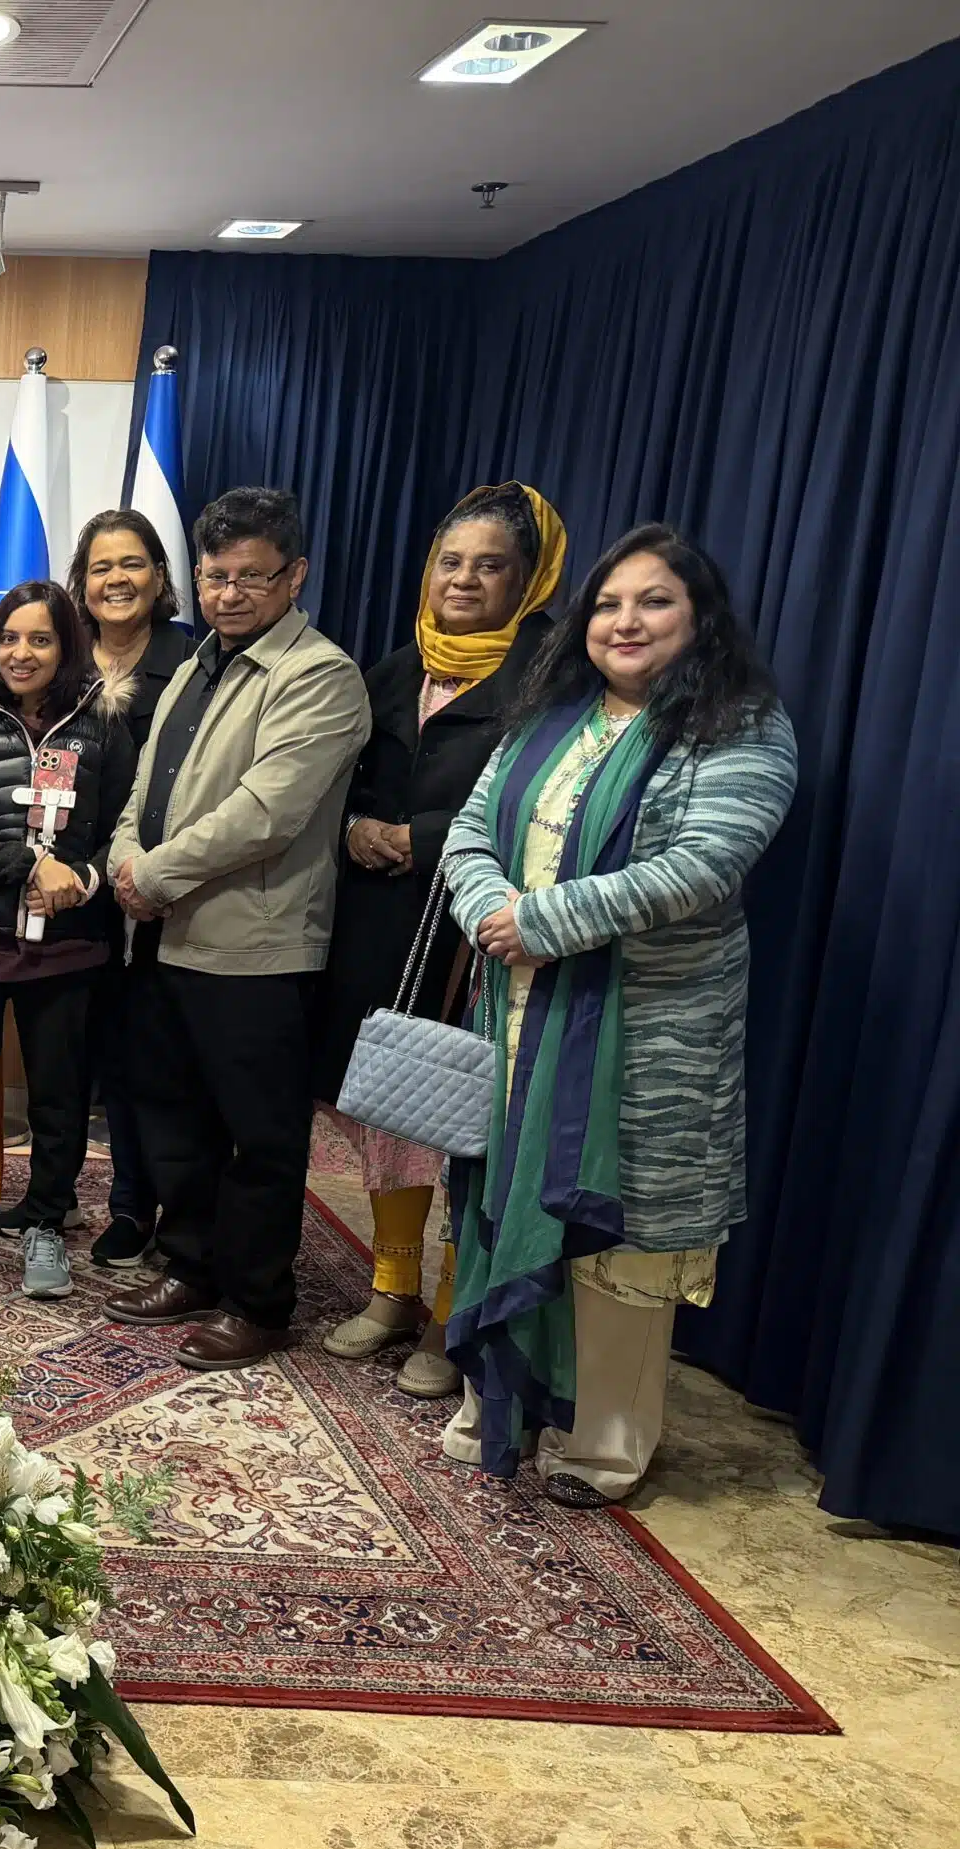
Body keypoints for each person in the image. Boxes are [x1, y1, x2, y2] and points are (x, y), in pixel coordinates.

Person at [439, 525, 796, 1508]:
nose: (624, 621)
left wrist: (540, 922)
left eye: (654, 602)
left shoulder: (738, 725)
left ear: (699, 616)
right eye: (607, 602)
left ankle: (605, 1448)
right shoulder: (550, 715)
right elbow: (470, 831)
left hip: (641, 1038)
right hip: (512, 1011)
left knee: (617, 1246)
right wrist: (486, 912)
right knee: (499, 1202)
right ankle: (493, 1406)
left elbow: (696, 869)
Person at [104, 487, 369, 1370]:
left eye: (251, 578)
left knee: (258, 1135)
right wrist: (122, 851)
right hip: (166, 936)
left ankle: (259, 1302)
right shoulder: (197, 662)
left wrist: (154, 872)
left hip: (255, 949)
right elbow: (149, 782)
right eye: (215, 576)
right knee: (174, 1116)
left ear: (294, 576)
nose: (228, 594)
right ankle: (193, 1264)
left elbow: (267, 813)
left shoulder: (319, 675)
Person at [316, 484, 569, 1397]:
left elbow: (537, 804)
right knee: (389, 1113)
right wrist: (353, 826)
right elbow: (333, 776)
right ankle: (391, 1290)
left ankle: (447, 1317)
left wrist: (419, 840)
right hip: (379, 927)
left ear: (528, 578)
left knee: (464, 1125)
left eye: (489, 565)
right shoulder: (391, 671)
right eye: (450, 563)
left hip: (478, 937)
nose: (464, 581)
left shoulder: (551, 681)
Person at [0, 581, 137, 1303]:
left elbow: (123, 833)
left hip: (68, 949)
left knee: (59, 1097)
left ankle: (45, 1222)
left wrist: (81, 875)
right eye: (9, 638)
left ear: (66, 646)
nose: (21, 653)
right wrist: (26, 865)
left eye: (40, 639)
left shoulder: (102, 726)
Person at [64, 507, 196, 1272]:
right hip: (80, 887)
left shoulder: (192, 660)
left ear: (159, 576)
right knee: (107, 1054)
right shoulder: (66, 659)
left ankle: (172, 1213)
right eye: (101, 567)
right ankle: (122, 1205)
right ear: (80, 584)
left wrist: (155, 869)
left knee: (160, 1059)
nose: (116, 579)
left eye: (132, 564)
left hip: (162, 886)